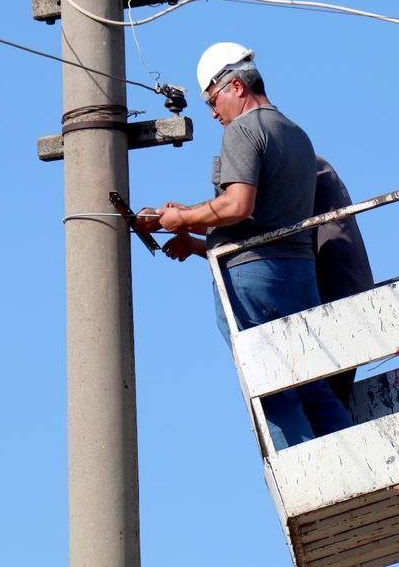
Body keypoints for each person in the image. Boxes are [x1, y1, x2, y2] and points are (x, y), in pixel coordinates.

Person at [146, 42, 352, 450]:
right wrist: (197, 241)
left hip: (253, 281)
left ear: (235, 86)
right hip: (298, 276)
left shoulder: (243, 129)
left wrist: (181, 218)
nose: (212, 112)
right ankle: (354, 464)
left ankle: (305, 477)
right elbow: (268, 224)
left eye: (212, 99)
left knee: (272, 388)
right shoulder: (296, 133)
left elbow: (239, 206)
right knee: (312, 385)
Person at [313, 156, 375, 409]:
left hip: (337, 299)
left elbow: (256, 216)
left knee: (325, 403)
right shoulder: (309, 161)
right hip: (344, 293)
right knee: (330, 399)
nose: (214, 113)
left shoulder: (297, 163)